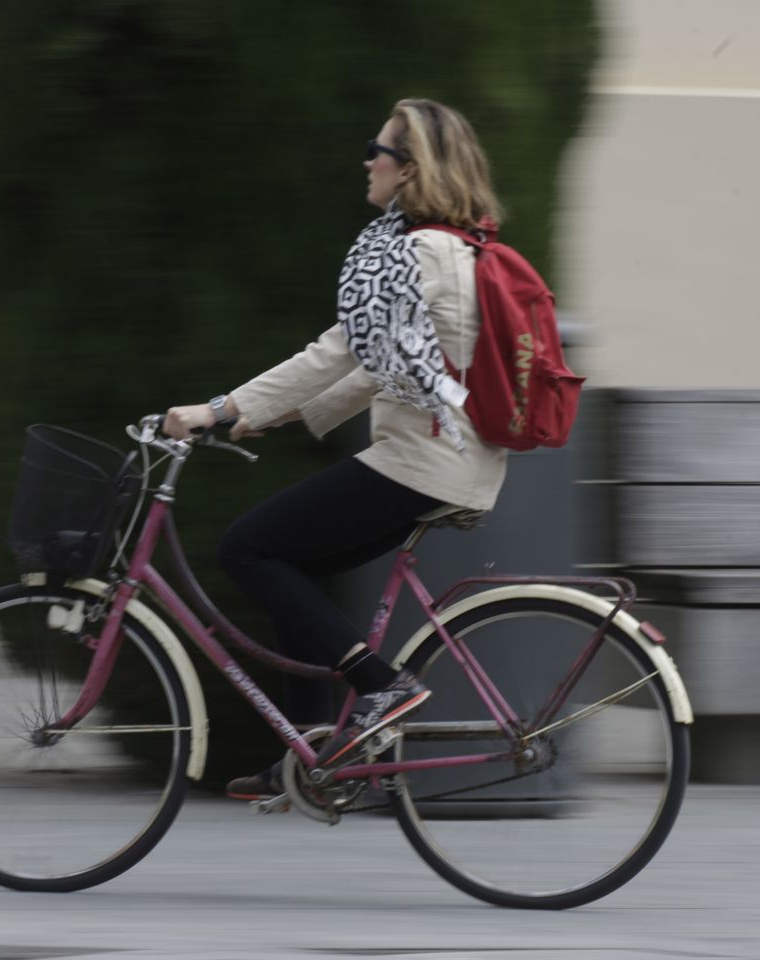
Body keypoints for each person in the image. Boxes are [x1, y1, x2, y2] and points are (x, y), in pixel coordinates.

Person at [163, 98, 509, 800]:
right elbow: (382, 362)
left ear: (410, 170)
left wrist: (220, 408)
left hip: (421, 462)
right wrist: (279, 416)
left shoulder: (415, 252)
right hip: (447, 461)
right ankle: (309, 752)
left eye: (378, 149)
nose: (368, 160)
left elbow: (338, 350)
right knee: (290, 564)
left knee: (247, 549)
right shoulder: (452, 246)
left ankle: (382, 686)